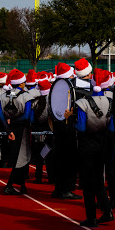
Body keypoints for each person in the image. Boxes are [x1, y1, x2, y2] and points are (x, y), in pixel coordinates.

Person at [65, 68, 115, 227]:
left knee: (87, 182)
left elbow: (80, 127)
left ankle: (91, 217)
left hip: (87, 145)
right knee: (99, 179)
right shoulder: (111, 102)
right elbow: (112, 128)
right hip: (103, 144)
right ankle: (107, 211)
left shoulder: (82, 103)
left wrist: (69, 118)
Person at [0, 69, 39, 195]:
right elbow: (27, 116)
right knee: (21, 157)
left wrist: (8, 129)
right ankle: (10, 185)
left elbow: (0, 114)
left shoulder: (3, 95)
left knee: (17, 156)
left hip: (10, 129)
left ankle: (21, 185)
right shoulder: (26, 96)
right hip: (22, 129)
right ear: (21, 83)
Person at [50, 63, 83, 200]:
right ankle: (67, 189)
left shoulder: (54, 88)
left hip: (57, 127)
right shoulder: (69, 88)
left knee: (59, 159)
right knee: (69, 160)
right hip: (67, 128)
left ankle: (58, 188)